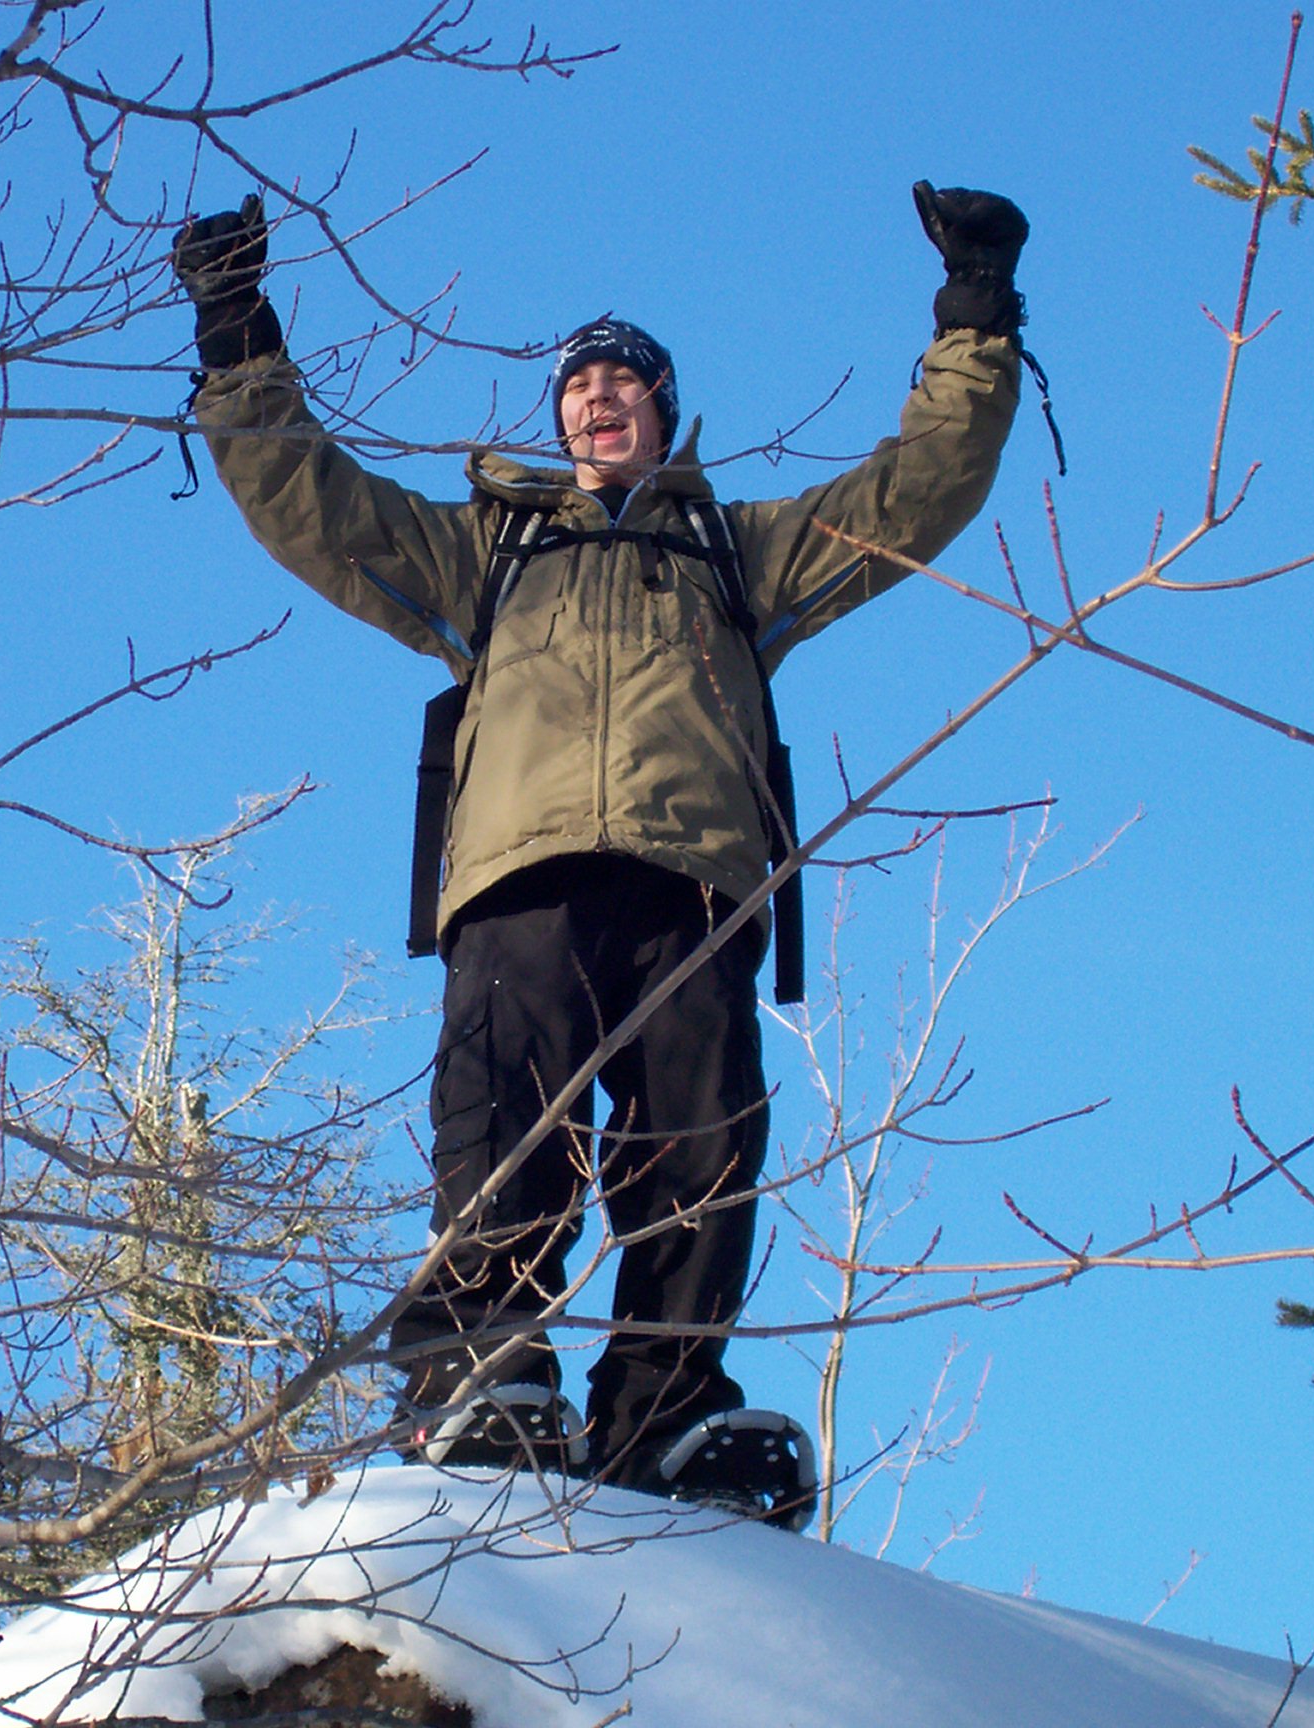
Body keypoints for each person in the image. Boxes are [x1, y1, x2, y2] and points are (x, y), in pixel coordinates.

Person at [174, 186, 1026, 1519]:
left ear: (663, 416)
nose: (598, 400)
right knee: (502, 1137)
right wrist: (238, 334)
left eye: (624, 383)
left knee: (701, 1149)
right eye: (579, 389)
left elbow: (914, 491)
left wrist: (974, 316)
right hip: (522, 876)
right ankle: (475, 1369)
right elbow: (313, 504)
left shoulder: (735, 554)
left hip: (697, 884)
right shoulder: (488, 554)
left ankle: (662, 1411)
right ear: (557, 423)